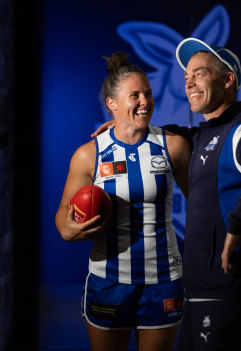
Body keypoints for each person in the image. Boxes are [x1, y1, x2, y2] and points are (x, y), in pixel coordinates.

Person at [92, 39, 241, 351]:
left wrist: (238, 224)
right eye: (186, 77)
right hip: (200, 284)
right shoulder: (205, 134)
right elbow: (174, 134)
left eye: (200, 74)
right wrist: (122, 126)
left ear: (227, 80)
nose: (189, 82)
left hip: (230, 282)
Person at [55, 51, 191, 351]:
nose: (145, 101)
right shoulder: (89, 154)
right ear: (112, 104)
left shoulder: (174, 146)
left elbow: (202, 204)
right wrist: (72, 230)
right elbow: (63, 219)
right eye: (135, 95)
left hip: (163, 280)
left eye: (148, 94)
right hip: (109, 280)